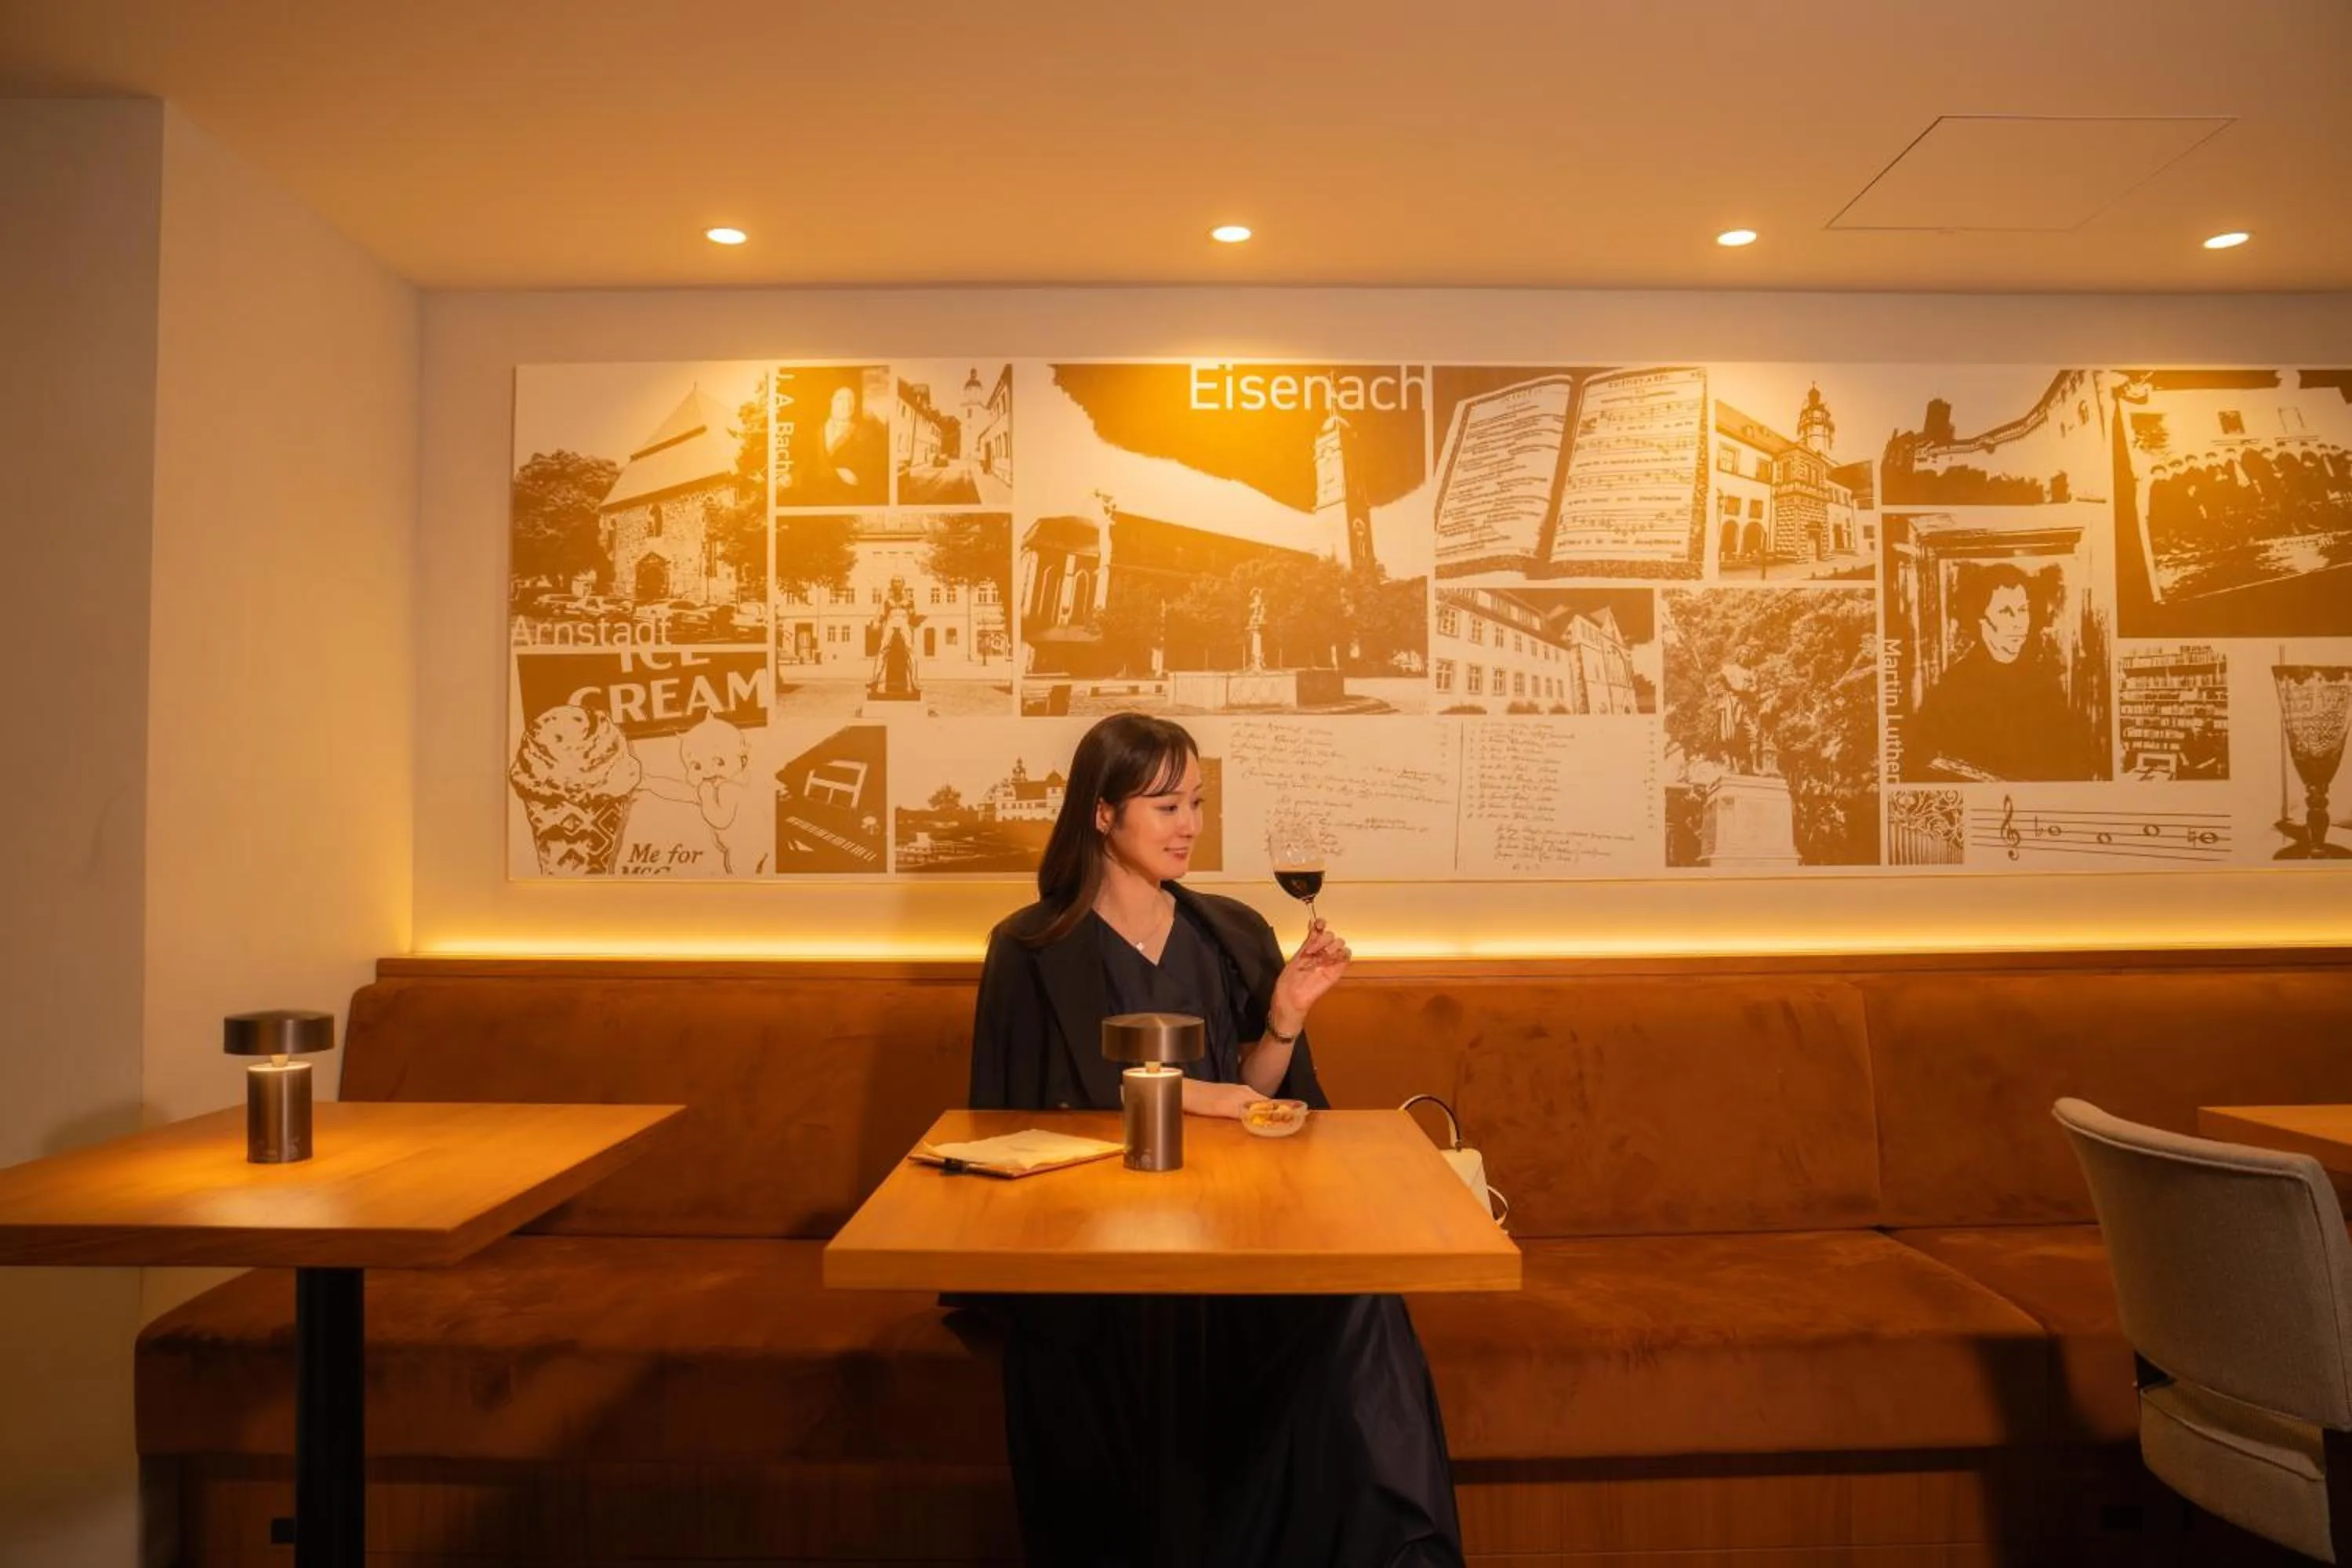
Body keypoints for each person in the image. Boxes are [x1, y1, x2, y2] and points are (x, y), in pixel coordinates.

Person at [965, 712, 1465, 1568]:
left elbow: (1260, 1099)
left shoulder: (1224, 932)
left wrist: (1284, 1018)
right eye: (1164, 805)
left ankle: (1404, 1556)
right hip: (1096, 1250)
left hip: (1239, 1236)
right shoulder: (1029, 947)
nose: (1189, 823)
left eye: (1196, 801)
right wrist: (1201, 1096)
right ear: (1102, 813)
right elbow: (1015, 1118)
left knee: (1364, 1302)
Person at [1901, 564, 2082, 782]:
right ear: (1980, 618)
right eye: (2006, 612)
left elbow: (2071, 759)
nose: (2019, 623)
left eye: (2023, 610)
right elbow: (1922, 762)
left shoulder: (2043, 681)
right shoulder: (1955, 686)